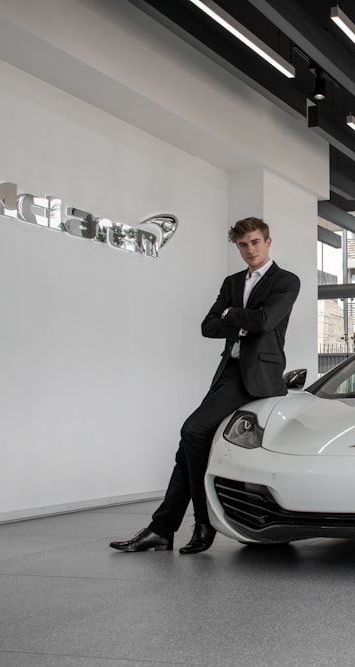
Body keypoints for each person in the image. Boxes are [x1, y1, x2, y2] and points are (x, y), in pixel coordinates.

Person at [110, 217, 300, 554]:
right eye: (243, 245)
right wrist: (238, 320)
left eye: (255, 242)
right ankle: (162, 530)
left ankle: (203, 522)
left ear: (268, 242)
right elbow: (207, 326)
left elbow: (266, 321)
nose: (250, 250)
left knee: (193, 432)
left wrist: (230, 316)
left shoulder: (286, 281)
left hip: (258, 377)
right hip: (228, 372)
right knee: (188, 451)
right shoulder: (231, 282)